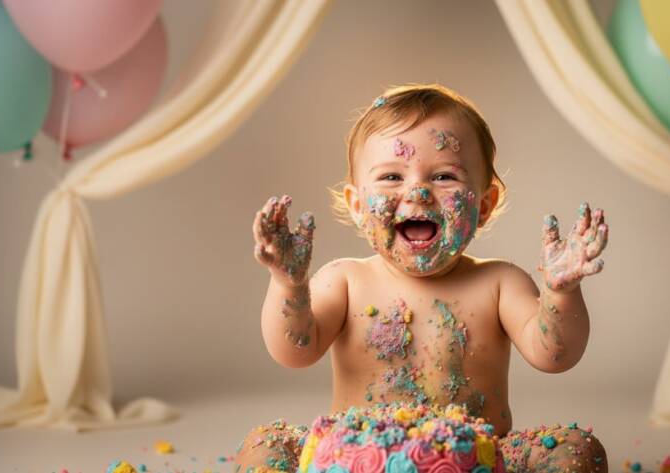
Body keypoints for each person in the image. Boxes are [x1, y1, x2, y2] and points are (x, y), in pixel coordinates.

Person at [238, 84, 610, 473]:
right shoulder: (345, 280)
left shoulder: (500, 283)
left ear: (484, 205)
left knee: (578, 447)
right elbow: (293, 351)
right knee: (266, 443)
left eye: (445, 176)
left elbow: (555, 356)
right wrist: (288, 285)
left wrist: (560, 292)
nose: (417, 191)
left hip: (476, 460)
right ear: (358, 205)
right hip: (355, 460)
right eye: (392, 177)